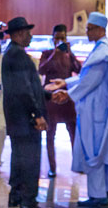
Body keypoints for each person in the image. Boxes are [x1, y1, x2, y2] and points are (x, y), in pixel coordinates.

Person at [45, 12, 108, 207]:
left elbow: (89, 81)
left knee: (94, 151)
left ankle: (98, 195)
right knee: (102, 150)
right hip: (100, 110)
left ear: (100, 29)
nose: (86, 32)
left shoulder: (103, 52)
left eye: (89, 29)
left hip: (97, 112)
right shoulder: (102, 49)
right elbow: (85, 77)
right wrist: (65, 82)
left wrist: (68, 94)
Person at [1, 17, 51, 208]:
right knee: (30, 162)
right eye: (28, 33)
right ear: (19, 34)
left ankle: (16, 197)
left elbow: (26, 87)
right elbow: (23, 90)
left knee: (19, 159)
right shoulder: (18, 56)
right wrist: (36, 114)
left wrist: (47, 95)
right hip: (25, 121)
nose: (30, 36)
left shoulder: (11, 53)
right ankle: (28, 200)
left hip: (17, 121)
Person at [38, 24, 81, 178]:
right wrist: (54, 54)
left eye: (62, 38)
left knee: (73, 132)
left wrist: (69, 53)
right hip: (50, 101)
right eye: (57, 38)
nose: (60, 41)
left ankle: (77, 164)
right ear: (52, 39)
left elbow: (80, 71)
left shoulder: (69, 55)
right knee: (50, 135)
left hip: (67, 101)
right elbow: (41, 70)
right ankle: (52, 167)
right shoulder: (47, 53)